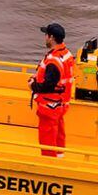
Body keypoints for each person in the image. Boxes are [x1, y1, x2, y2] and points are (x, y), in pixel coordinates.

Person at [29, 23, 74, 157]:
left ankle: (49, 164)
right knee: (59, 134)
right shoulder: (66, 54)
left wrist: (33, 85)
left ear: (51, 38)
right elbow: (60, 78)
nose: (45, 38)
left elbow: (49, 85)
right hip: (60, 104)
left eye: (46, 35)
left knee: (47, 138)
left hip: (49, 106)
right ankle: (59, 158)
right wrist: (38, 77)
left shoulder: (54, 61)